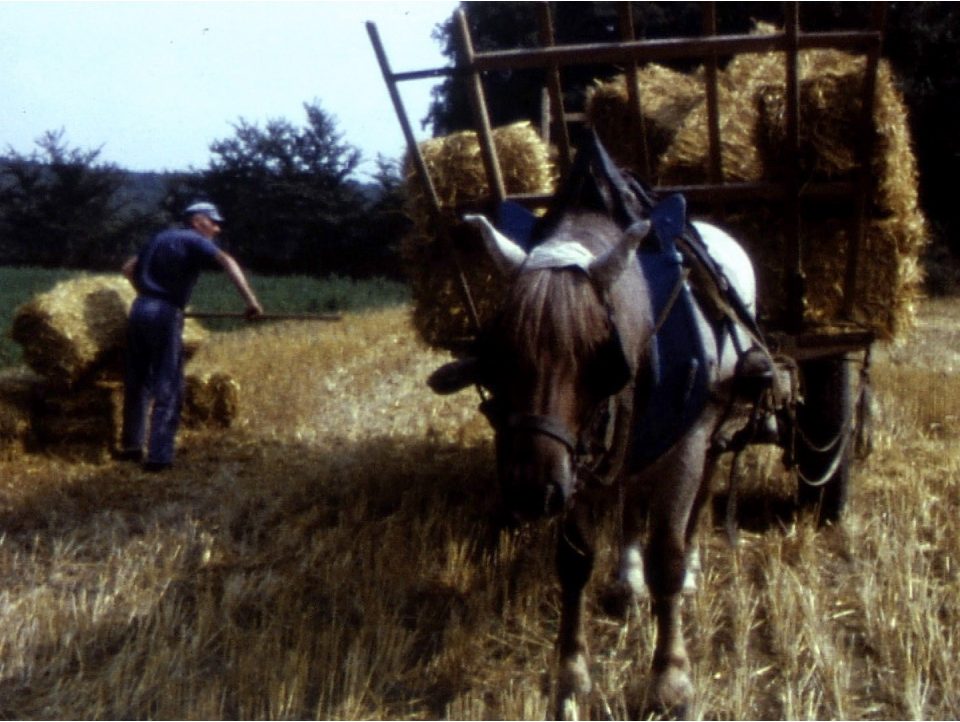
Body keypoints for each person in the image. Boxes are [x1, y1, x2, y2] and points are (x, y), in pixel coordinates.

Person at [117, 201, 263, 471]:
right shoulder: (194, 239)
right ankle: (159, 457)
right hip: (165, 312)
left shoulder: (159, 237)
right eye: (213, 222)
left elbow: (128, 269)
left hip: (139, 309)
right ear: (197, 221)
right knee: (169, 384)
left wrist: (148, 293)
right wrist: (251, 302)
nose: (217, 228)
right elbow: (227, 261)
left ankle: (132, 447)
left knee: (138, 380)